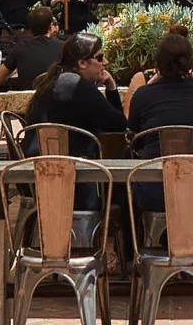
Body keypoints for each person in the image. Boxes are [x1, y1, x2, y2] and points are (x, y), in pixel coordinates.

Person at [23, 34, 125, 211]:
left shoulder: (54, 81)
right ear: (82, 63)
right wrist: (111, 87)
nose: (105, 62)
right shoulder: (80, 87)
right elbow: (119, 126)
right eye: (100, 57)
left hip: (37, 174)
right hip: (73, 179)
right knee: (128, 190)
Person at [125, 27, 193, 155]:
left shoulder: (143, 95)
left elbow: (134, 128)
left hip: (153, 167)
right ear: (190, 61)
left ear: (159, 62)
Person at [0, 6, 60, 91]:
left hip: (30, 101)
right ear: (50, 27)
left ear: (30, 29)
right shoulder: (64, 47)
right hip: (59, 99)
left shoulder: (20, 49)